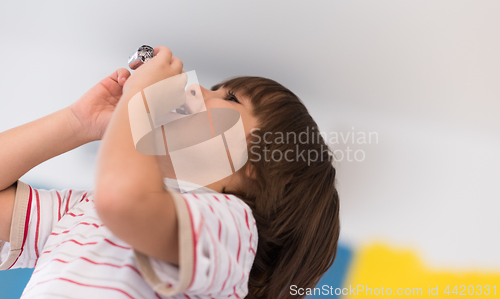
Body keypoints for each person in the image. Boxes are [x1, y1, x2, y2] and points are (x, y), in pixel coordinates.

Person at [0, 46, 340, 299]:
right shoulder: (87, 208)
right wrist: (77, 123)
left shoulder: (235, 231)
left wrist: (139, 103)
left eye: (231, 97)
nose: (198, 91)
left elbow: (123, 201)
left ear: (255, 167)